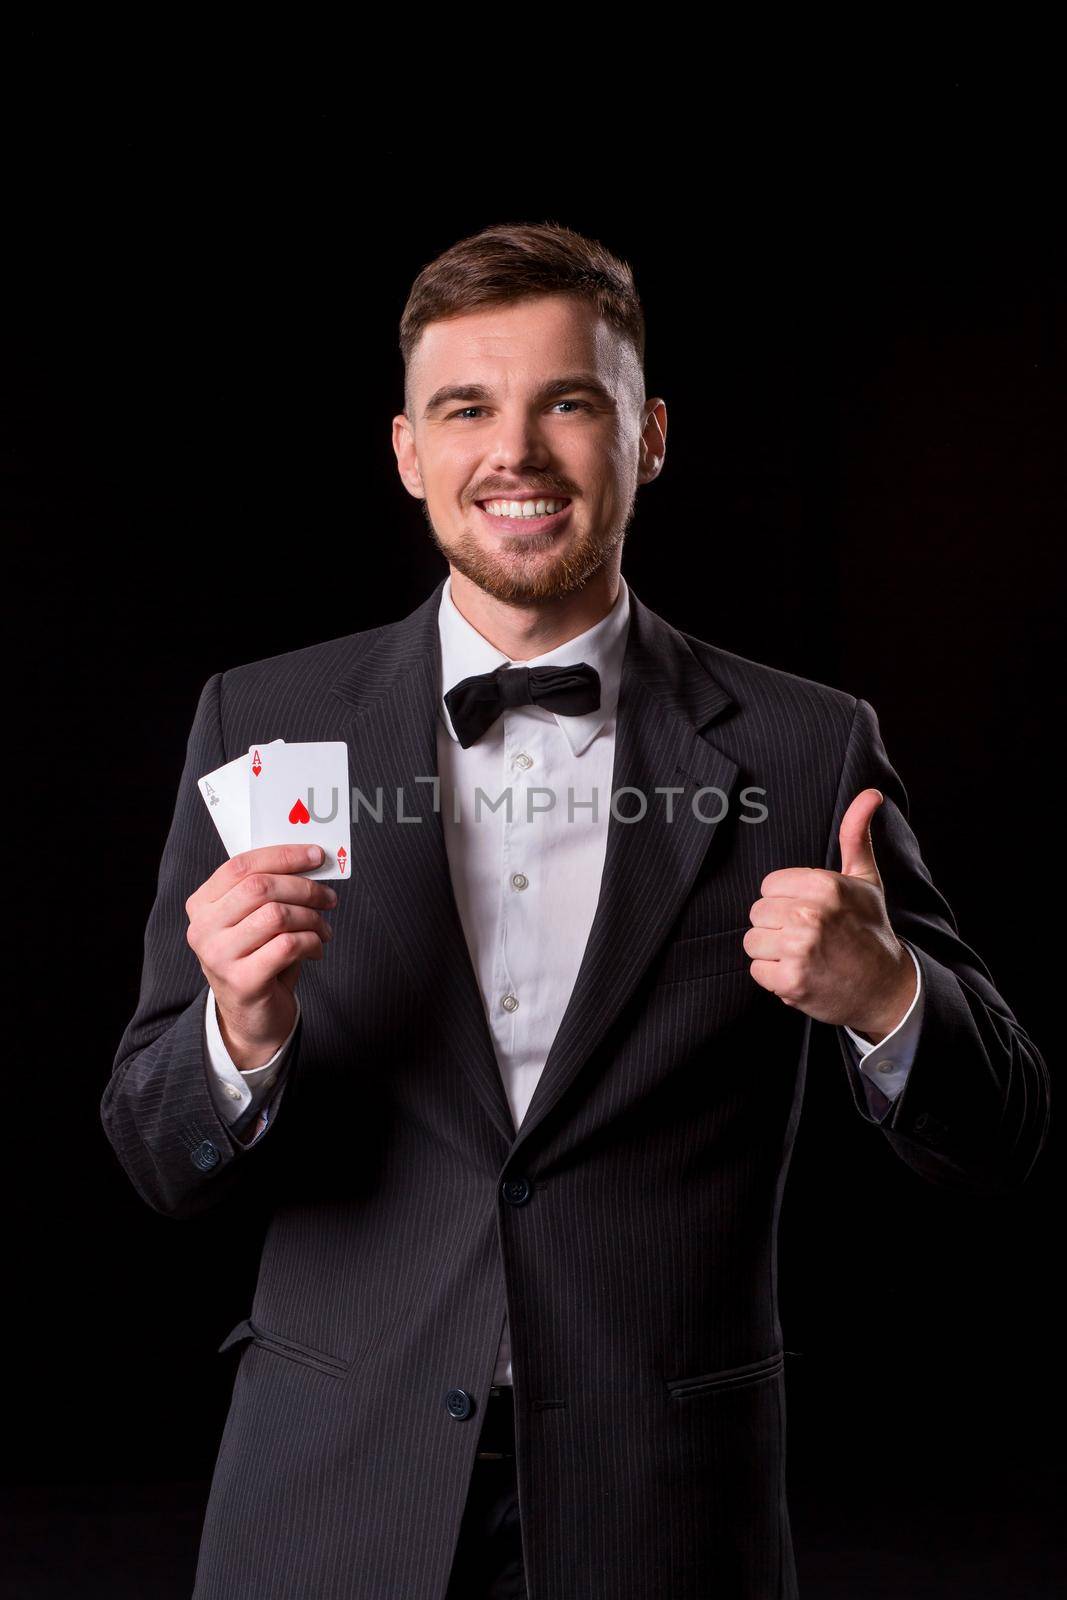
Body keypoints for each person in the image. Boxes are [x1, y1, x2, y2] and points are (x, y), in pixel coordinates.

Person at [101, 221, 1050, 1600]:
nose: (518, 454)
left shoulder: (808, 747)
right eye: (466, 408)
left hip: (665, 1515)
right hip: (326, 1503)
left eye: (570, 402)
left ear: (648, 434)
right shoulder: (261, 719)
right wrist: (237, 1036)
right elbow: (152, 1148)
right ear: (409, 450)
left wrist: (885, 1000)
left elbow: (1007, 1130)